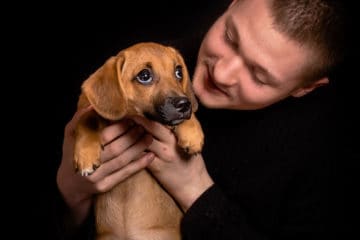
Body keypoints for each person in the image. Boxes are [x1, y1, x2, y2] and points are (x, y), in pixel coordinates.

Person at [53, 0, 354, 239]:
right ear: (232, 4)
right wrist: (70, 192)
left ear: (305, 88)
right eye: (230, 37)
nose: (221, 73)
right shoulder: (137, 70)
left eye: (259, 76)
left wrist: (195, 190)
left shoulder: (323, 156)